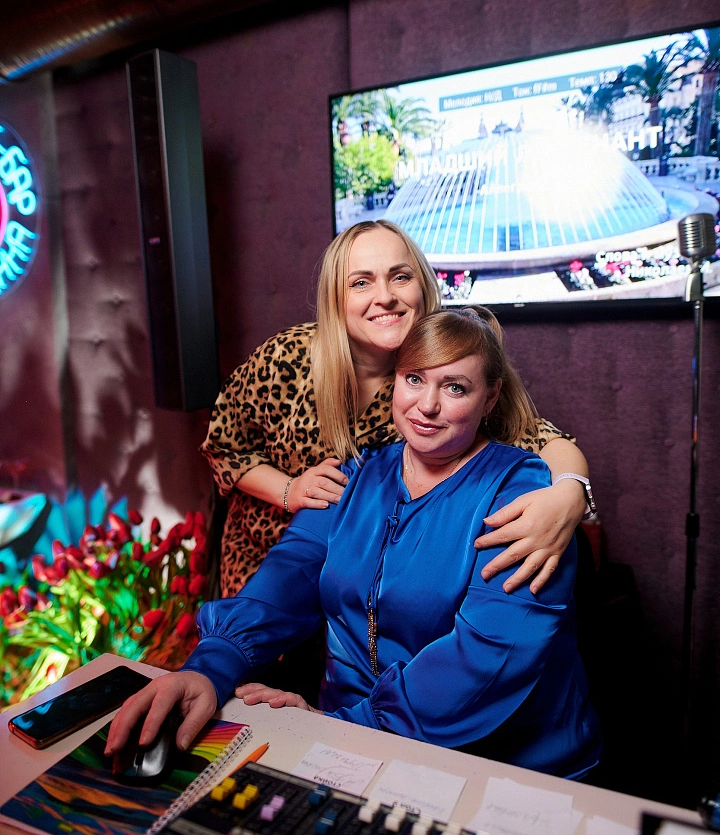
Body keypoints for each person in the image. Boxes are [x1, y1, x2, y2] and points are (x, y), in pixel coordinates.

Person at [108, 310, 601, 779]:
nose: (427, 405)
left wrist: (346, 726)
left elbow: (490, 655)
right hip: (351, 737)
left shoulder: (520, 493)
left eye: (455, 387)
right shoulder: (357, 473)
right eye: (414, 379)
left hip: (500, 762)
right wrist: (210, 668)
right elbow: (288, 575)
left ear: (490, 397)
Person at [202, 221, 592, 597]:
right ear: (336, 297)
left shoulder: (447, 365)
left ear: (423, 286)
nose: (385, 296)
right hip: (264, 567)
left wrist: (571, 494)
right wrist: (288, 490)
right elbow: (224, 447)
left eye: (400, 277)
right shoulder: (286, 356)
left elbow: (544, 439)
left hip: (365, 583)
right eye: (361, 282)